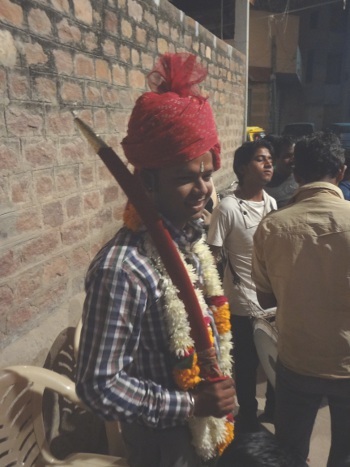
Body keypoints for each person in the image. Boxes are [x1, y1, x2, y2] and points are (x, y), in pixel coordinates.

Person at [76, 52, 236, 467]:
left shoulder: (190, 243)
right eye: (185, 177)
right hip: (162, 447)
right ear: (146, 182)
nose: (202, 189)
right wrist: (189, 403)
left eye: (206, 173)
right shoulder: (122, 269)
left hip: (208, 430)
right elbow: (97, 387)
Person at [252, 132, 350, 466]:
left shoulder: (272, 226)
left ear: (297, 174)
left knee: (290, 453)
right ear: (341, 172)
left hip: (298, 360)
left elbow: (265, 295)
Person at [207, 140, 277, 434]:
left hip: (272, 302)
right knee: (247, 366)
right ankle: (248, 416)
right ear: (243, 167)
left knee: (275, 362)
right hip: (243, 303)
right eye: (261, 159)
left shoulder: (272, 203)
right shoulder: (227, 207)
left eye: (270, 159)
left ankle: (273, 411)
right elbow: (212, 256)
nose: (269, 164)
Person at [264, 134, 298, 208]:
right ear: (276, 158)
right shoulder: (265, 186)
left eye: (295, 155)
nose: (293, 160)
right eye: (287, 156)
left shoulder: (304, 179)